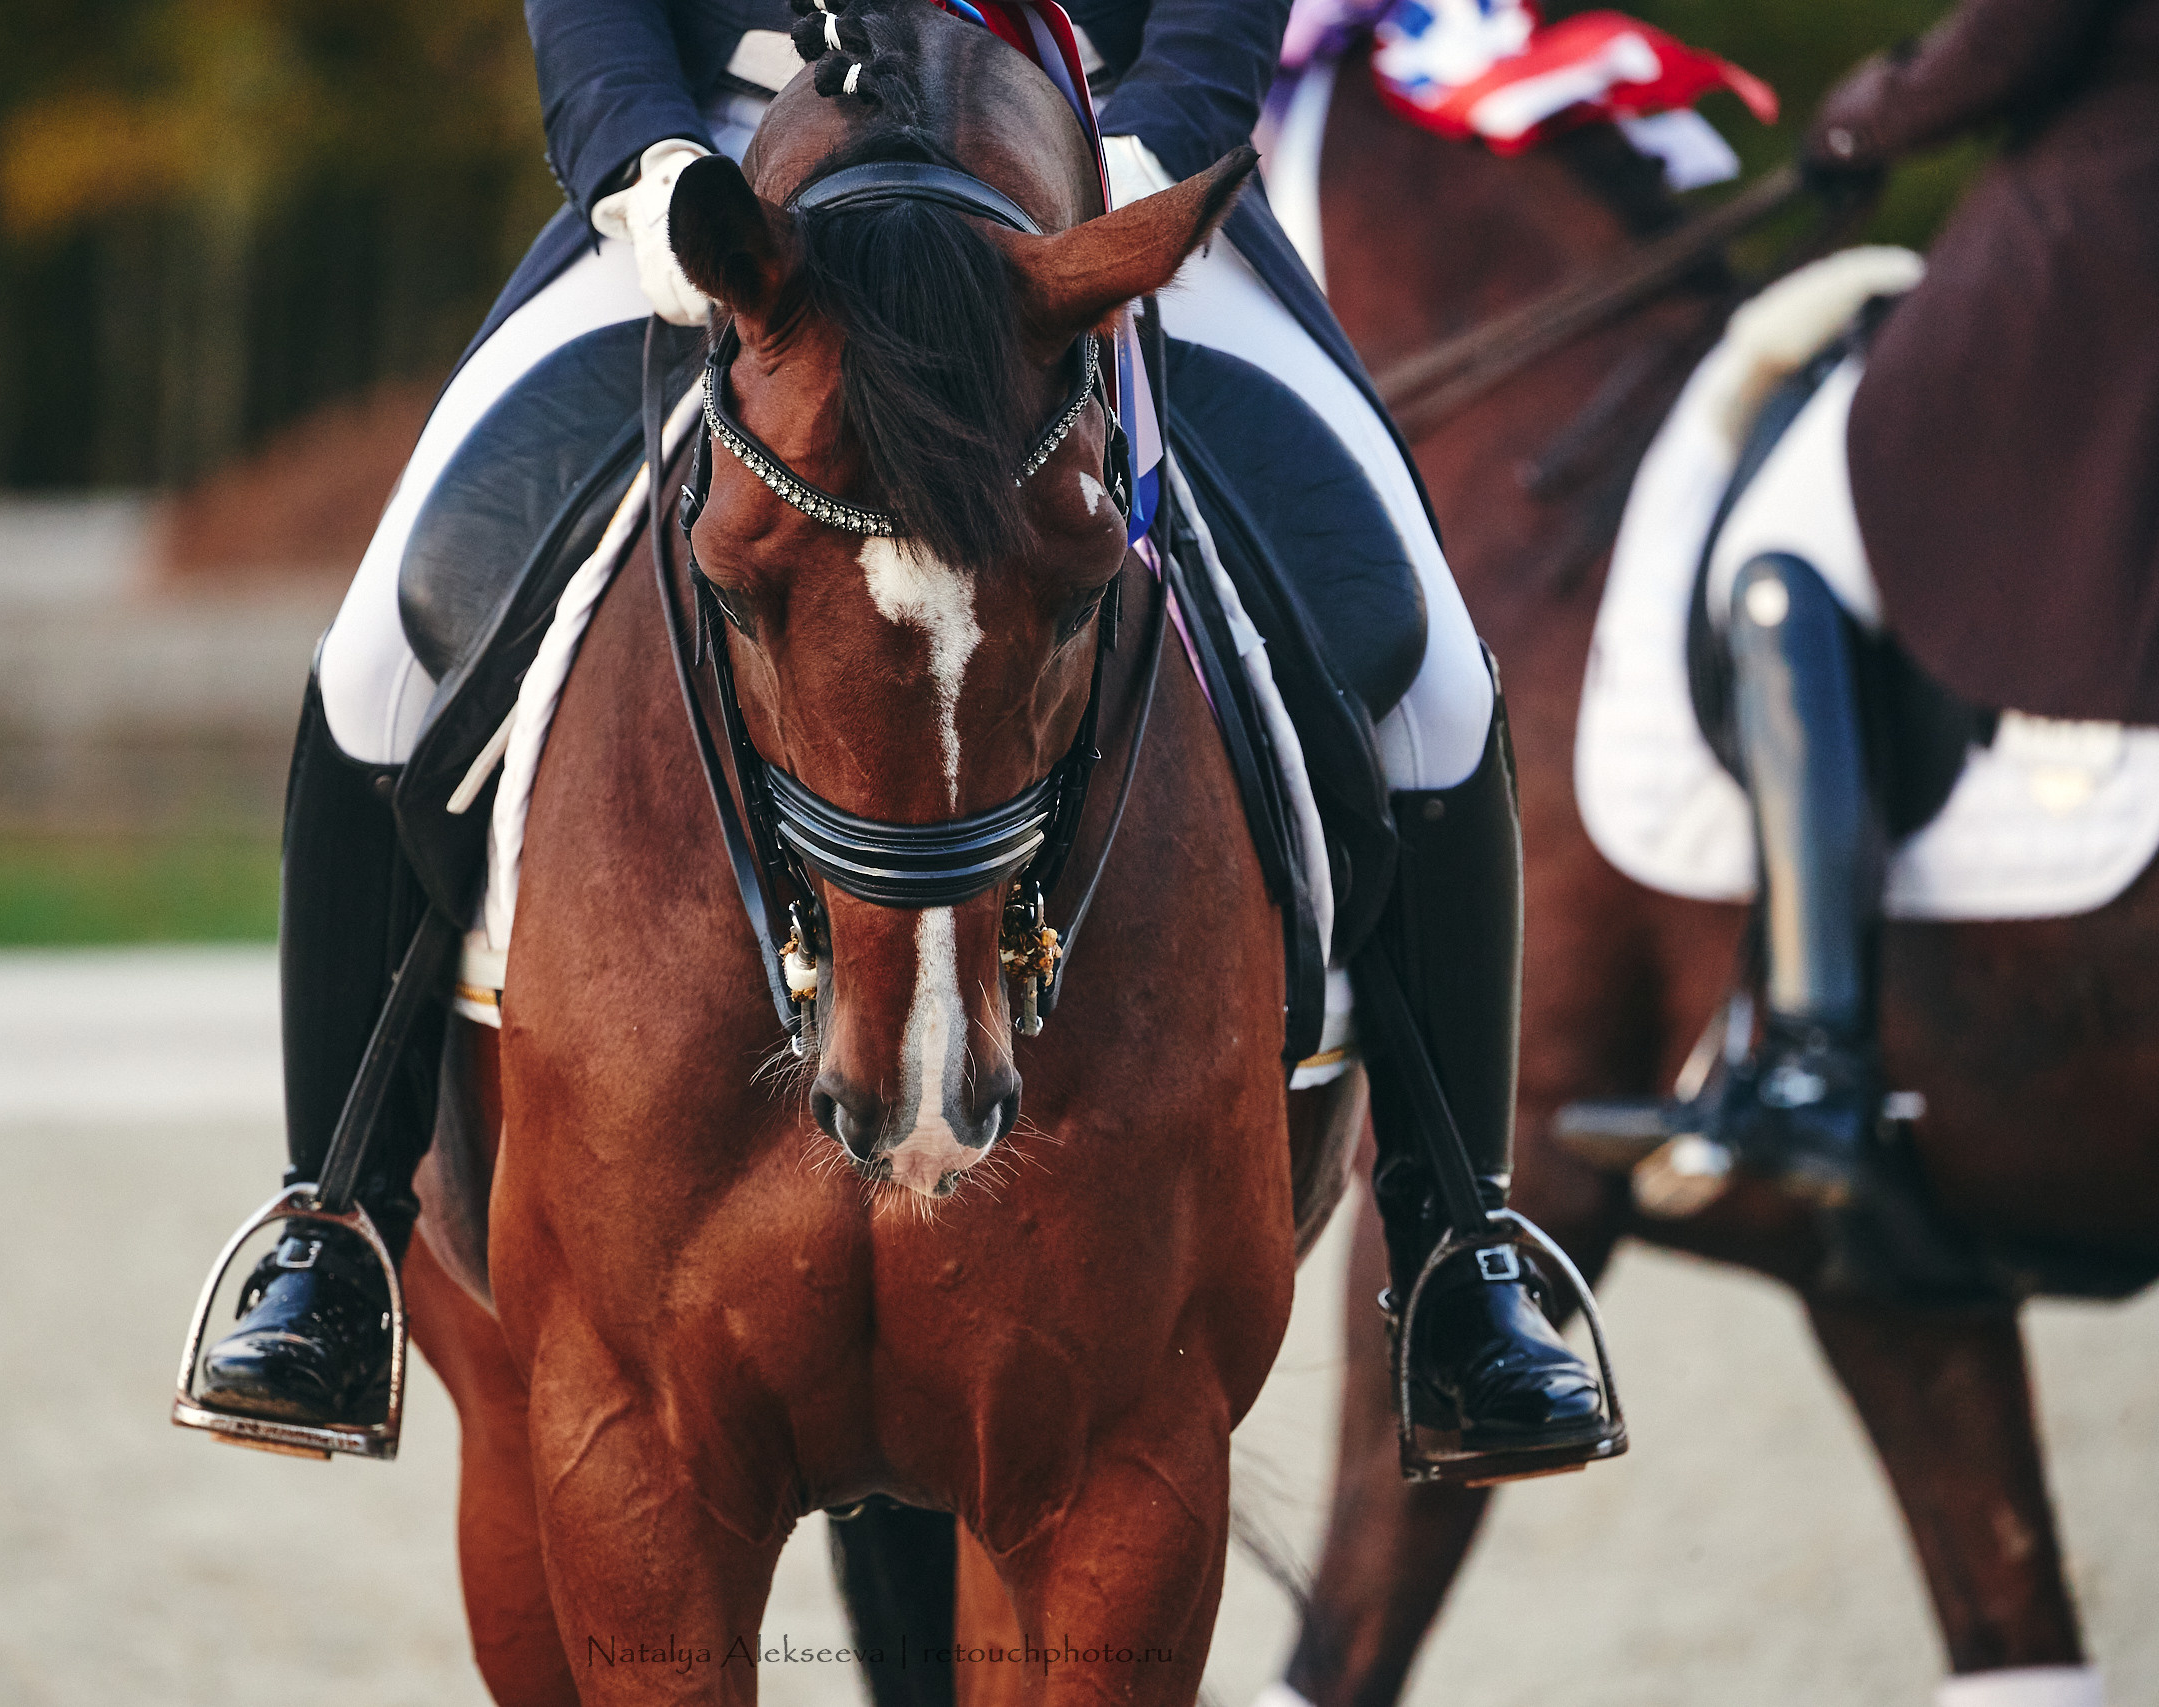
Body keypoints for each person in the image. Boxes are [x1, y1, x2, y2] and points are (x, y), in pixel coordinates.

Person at [189, 0, 1609, 1471]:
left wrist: (1140, 150)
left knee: (1431, 663)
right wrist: (654, 165)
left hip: (1083, 168)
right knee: (379, 657)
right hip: (735, 179)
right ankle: (338, 1220)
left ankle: (1461, 1249)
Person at [1706, 0, 2159, 1208]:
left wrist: (1861, 120)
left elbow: (2017, 36)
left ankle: (1815, 1052)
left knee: (1781, 556)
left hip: (2101, 247)